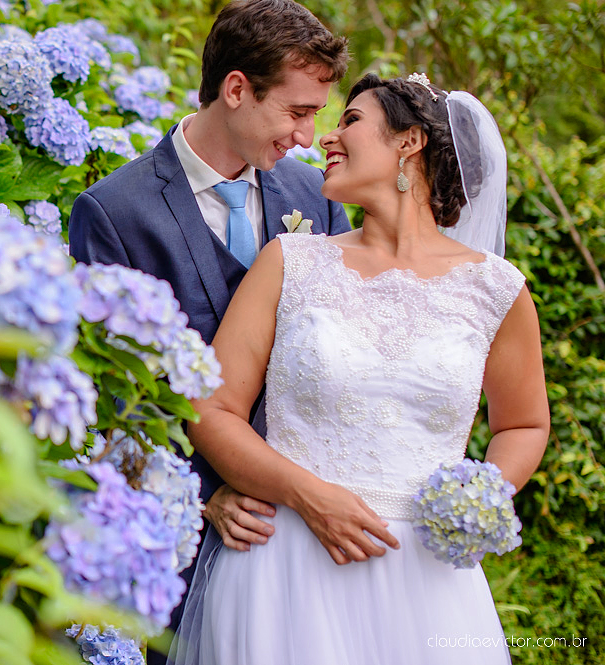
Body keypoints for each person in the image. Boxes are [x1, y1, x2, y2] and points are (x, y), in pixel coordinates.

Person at [172, 73, 550, 664]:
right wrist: (308, 495)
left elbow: (524, 425)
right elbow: (212, 408)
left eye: (349, 120)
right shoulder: (289, 262)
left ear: (409, 142)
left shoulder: (497, 289)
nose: (326, 137)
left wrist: (481, 494)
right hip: (286, 567)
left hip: (427, 582)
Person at [68, 0, 352, 661]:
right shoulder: (114, 212)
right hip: (185, 558)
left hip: (307, 544)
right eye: (297, 111)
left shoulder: (315, 200)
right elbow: (109, 398)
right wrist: (197, 498)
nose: (308, 136)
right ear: (237, 89)